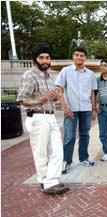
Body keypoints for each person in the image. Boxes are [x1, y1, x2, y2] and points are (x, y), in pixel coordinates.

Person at [17, 43, 69, 195]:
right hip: (37, 116)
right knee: (41, 152)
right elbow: (22, 99)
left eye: (47, 57)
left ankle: (52, 180)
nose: (45, 61)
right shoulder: (29, 75)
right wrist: (40, 101)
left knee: (57, 151)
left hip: (50, 117)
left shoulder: (49, 76)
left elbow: (52, 97)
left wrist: (57, 99)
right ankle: (44, 182)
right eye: (41, 58)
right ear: (35, 60)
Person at [56, 46, 97, 174]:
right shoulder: (65, 71)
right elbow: (59, 90)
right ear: (73, 56)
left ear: (85, 57)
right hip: (71, 109)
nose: (79, 57)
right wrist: (65, 107)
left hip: (86, 109)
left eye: (82, 55)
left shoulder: (90, 74)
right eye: (77, 55)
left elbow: (92, 93)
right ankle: (66, 161)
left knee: (85, 135)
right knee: (69, 136)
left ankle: (84, 158)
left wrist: (94, 108)